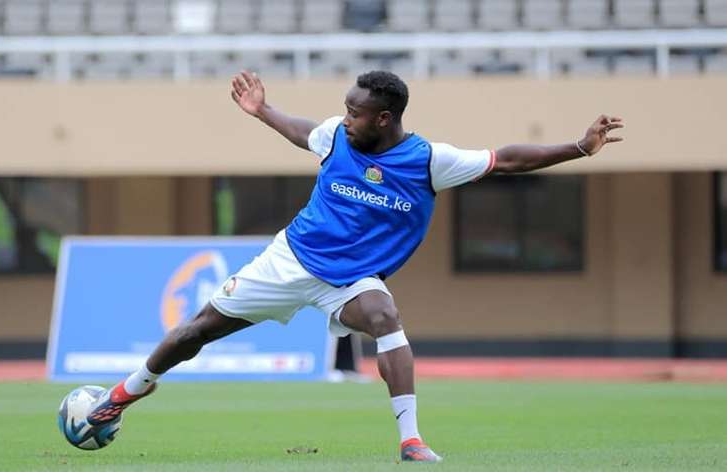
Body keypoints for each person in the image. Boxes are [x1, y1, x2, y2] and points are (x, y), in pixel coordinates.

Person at [85, 70, 624, 463]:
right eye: (345, 108)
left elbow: (506, 160)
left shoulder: (427, 161)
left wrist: (579, 147)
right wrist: (262, 110)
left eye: (354, 111)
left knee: (386, 317)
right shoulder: (336, 137)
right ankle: (122, 394)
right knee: (197, 329)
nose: (345, 118)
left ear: (384, 118)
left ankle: (411, 440)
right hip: (289, 260)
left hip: (348, 281)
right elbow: (301, 130)